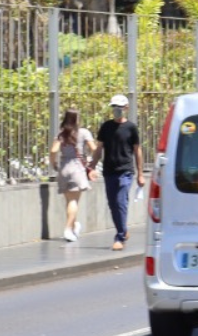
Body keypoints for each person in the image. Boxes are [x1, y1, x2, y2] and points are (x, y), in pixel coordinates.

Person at [96, 94, 145, 251]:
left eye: (119, 107)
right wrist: (91, 165)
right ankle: (123, 229)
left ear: (126, 108)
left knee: (120, 201)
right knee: (112, 204)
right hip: (109, 171)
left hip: (125, 171)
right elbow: (99, 148)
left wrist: (141, 173)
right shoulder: (106, 127)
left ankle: (120, 237)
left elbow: (137, 151)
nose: (116, 110)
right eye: (114, 107)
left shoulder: (131, 128)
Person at [51, 109, 97, 243]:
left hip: (64, 169)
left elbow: (54, 150)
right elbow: (94, 148)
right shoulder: (83, 133)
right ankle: (67, 229)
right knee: (74, 201)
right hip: (77, 169)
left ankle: (74, 225)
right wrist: (91, 162)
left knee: (68, 201)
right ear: (77, 119)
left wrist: (54, 162)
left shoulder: (61, 134)